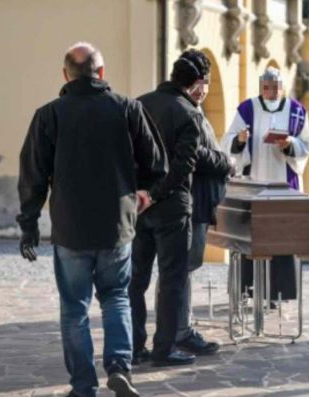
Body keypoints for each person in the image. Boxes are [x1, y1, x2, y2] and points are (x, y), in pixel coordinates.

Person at [17, 41, 166, 397]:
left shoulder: (49, 115)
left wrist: (29, 224)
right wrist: (146, 194)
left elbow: (32, 175)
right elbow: (157, 164)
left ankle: (83, 386)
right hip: (117, 224)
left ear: (65, 74)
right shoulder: (128, 109)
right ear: (101, 73)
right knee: (116, 297)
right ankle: (118, 366)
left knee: (74, 308)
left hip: (71, 226)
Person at [128, 50, 216, 367]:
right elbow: (182, 169)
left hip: (137, 206)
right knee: (171, 281)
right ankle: (163, 349)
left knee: (135, 281)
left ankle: (135, 347)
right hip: (172, 208)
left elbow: (126, 156)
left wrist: (140, 194)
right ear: (194, 83)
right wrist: (155, 194)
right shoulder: (189, 114)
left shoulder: (138, 104)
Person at [220, 66, 309, 303]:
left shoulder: (296, 111)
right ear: (260, 87)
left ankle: (278, 292)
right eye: (266, 87)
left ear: (282, 88)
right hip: (254, 183)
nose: (271, 91)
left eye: (275, 87)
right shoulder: (247, 108)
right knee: (249, 237)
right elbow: (227, 140)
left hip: (284, 185)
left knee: (280, 236)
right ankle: (246, 290)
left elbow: (308, 145)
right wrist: (240, 140)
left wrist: (290, 145)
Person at [174, 51, 231, 355]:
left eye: (206, 83)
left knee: (184, 269)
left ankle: (180, 326)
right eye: (200, 82)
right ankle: (179, 330)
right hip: (191, 203)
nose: (203, 88)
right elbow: (197, 154)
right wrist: (225, 162)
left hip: (198, 203)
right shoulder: (187, 111)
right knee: (182, 268)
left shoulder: (194, 108)